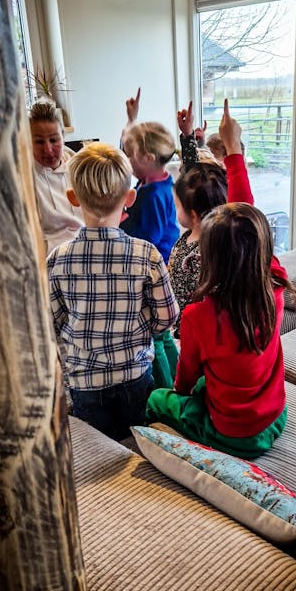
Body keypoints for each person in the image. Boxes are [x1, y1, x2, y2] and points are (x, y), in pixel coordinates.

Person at [146, 192, 294, 459]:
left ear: (211, 258)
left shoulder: (197, 316)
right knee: (211, 378)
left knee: (157, 399)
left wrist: (179, 394)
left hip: (233, 435)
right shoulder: (276, 288)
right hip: (275, 416)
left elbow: (185, 381)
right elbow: (256, 241)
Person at [47, 142, 179, 441]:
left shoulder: (57, 259)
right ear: (130, 198)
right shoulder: (147, 254)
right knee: (141, 440)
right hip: (135, 374)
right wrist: (141, 323)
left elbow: (52, 323)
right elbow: (167, 317)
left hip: (85, 382)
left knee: (102, 444)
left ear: (72, 198)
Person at [169, 99, 253, 337]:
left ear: (193, 214)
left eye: (177, 205)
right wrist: (188, 137)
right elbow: (193, 180)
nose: (176, 209)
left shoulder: (211, 248)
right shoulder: (198, 232)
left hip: (195, 331)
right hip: (183, 323)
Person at [120, 88, 179, 265]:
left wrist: (121, 219)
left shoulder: (153, 195)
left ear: (148, 159)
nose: (125, 159)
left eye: (129, 155)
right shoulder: (155, 181)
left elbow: (149, 239)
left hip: (157, 264)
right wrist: (132, 120)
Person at [29, 100, 83, 253]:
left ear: (63, 137)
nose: (48, 149)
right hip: (47, 254)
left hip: (84, 247)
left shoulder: (80, 168)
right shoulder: (24, 176)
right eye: (39, 142)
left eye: (53, 140)